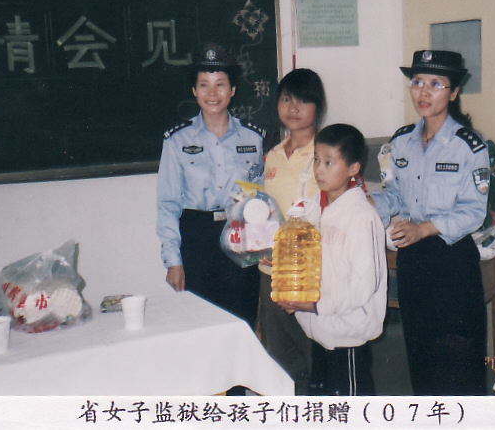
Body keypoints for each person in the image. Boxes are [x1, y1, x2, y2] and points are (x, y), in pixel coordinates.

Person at [370, 50, 490, 396]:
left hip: (452, 262)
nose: (423, 92)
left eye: (436, 84)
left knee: (459, 361)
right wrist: (366, 203)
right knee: (421, 356)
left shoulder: (469, 146)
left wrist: (423, 228)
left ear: (453, 93)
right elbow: (394, 196)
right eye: (417, 82)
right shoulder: (400, 142)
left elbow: (473, 211)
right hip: (413, 261)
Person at [157, 42, 264, 327]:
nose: (212, 93)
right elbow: (168, 205)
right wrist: (173, 260)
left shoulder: (253, 139)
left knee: (241, 324)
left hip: (239, 237)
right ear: (194, 90)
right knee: (199, 327)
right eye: (204, 85)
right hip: (196, 239)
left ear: (233, 90)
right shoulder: (177, 141)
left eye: (220, 85)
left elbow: (260, 199)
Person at [278, 123, 387, 396]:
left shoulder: (361, 216)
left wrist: (314, 304)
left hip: (348, 336)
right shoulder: (311, 208)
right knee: (323, 404)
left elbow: (362, 287)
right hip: (318, 330)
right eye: (316, 159)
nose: (319, 169)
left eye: (329, 162)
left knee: (351, 406)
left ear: (353, 168)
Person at [259, 68, 326, 395]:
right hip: (270, 269)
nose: (293, 108)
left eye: (302, 101)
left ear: (318, 107)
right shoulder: (272, 154)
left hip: (308, 271)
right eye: (286, 99)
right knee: (280, 350)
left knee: (312, 350)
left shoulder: (325, 153)